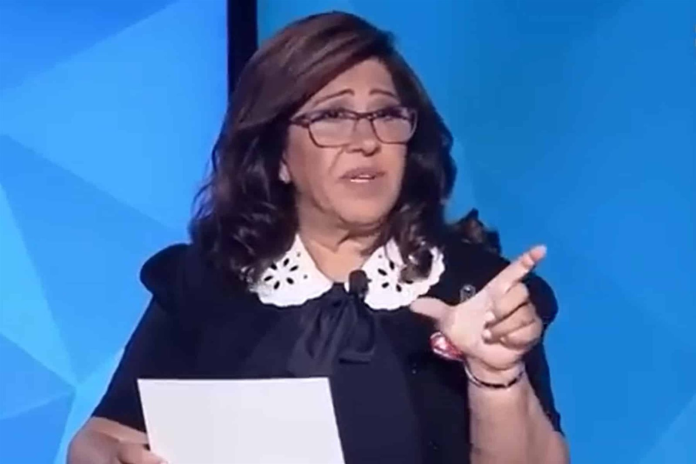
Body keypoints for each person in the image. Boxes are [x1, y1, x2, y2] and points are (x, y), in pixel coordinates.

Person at [68, 11, 569, 464]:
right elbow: (98, 439)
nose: (367, 141)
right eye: (332, 116)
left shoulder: (477, 289)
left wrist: (495, 375)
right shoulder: (206, 282)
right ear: (278, 157)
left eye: (386, 115)